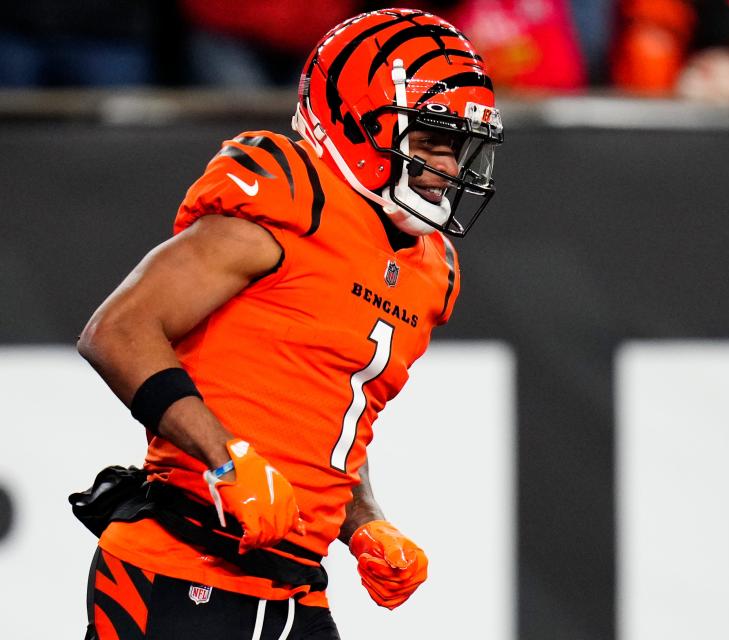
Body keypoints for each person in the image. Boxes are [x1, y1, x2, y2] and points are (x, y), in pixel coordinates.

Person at [72, 8, 503, 639]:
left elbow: (324, 426)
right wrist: (226, 462)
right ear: (359, 122)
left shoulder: (430, 269)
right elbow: (117, 330)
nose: (447, 166)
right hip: (178, 564)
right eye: (430, 140)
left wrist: (366, 524)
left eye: (457, 147)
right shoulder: (291, 197)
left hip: (296, 587)